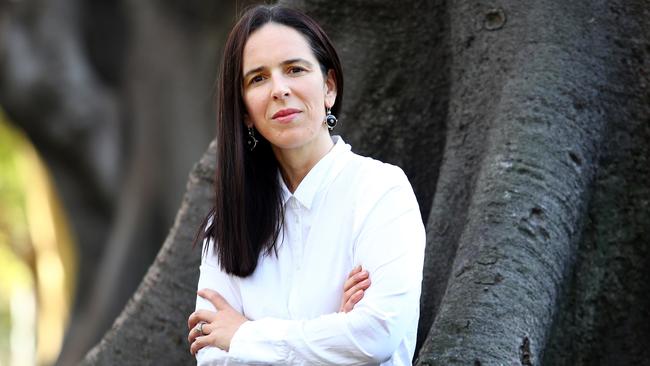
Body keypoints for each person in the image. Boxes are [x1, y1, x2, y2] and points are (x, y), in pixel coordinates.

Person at [186, 4, 425, 365]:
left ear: (328, 87)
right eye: (258, 78)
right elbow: (213, 358)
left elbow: (376, 335)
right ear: (246, 112)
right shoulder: (226, 227)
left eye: (294, 69)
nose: (279, 89)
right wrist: (336, 332)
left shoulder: (381, 191)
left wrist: (244, 334)